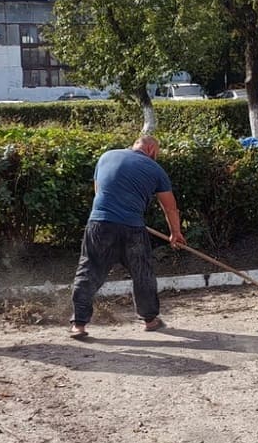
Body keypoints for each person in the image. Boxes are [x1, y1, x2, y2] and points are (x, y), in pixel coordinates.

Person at [69, 135, 186, 338]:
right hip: (133, 228)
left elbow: (99, 192)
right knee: (142, 274)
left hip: (100, 223)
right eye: (156, 154)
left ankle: (78, 325)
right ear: (151, 149)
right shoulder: (155, 169)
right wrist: (175, 233)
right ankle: (150, 320)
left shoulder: (106, 156)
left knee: (89, 270)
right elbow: (170, 207)